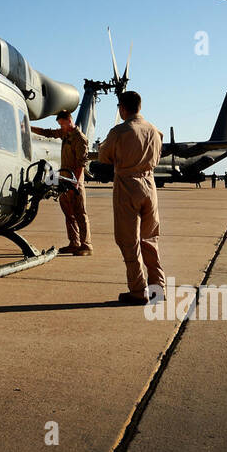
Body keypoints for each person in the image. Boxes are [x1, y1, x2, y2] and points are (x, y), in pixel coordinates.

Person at [98, 90, 164, 304]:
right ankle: (158, 289)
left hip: (128, 186)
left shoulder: (120, 131)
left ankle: (137, 290)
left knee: (129, 241)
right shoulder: (155, 131)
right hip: (150, 187)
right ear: (140, 107)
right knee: (150, 240)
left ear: (122, 108)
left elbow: (104, 157)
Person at [31, 110, 92, 255]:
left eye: (62, 124)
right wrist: (29, 127)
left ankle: (87, 245)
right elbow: (48, 133)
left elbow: (81, 164)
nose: (61, 127)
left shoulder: (79, 138)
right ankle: (74, 242)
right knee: (69, 214)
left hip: (74, 182)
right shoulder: (65, 133)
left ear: (70, 120)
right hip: (64, 181)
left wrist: (75, 183)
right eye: (60, 125)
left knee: (80, 214)